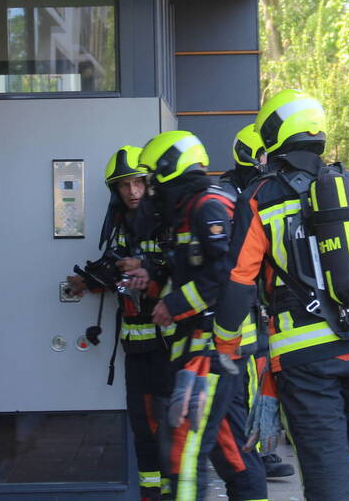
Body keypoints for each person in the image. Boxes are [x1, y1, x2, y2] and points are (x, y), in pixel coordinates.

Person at [215, 89, 349, 501]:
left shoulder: (259, 198)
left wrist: (226, 342)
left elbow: (240, 279)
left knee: (325, 467)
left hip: (305, 360)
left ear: (272, 137)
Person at [138, 131, 267, 501]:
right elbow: (192, 272)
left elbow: (227, 273)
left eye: (151, 178)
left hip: (212, 347)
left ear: (168, 169)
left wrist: (174, 304)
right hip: (202, 346)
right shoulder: (188, 209)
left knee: (185, 445)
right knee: (231, 451)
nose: (149, 189)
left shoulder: (207, 205)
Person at [66, 146, 168, 500]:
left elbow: (178, 273)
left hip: (170, 347)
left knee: (170, 428)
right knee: (143, 427)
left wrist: (145, 271)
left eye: (138, 182)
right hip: (136, 346)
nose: (132, 192)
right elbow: (115, 267)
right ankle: (151, 495)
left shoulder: (166, 222)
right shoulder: (122, 227)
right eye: (124, 185)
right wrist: (91, 280)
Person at [218, 124, 294, 480]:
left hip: (261, 300)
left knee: (266, 373)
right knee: (252, 376)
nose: (270, 161)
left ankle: (264, 447)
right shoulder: (235, 192)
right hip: (242, 304)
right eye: (265, 154)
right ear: (252, 155)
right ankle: (254, 454)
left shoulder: (262, 190)